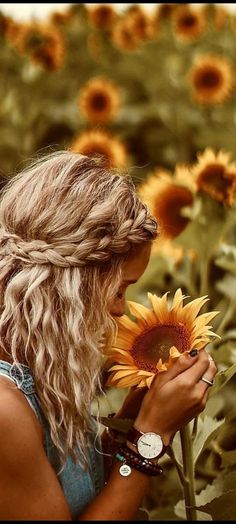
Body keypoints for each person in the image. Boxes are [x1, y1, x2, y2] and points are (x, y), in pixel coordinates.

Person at [0, 151, 217, 521]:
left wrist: (125, 429)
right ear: (71, 287)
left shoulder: (36, 363)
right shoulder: (5, 411)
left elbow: (58, 481)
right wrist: (150, 438)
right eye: (120, 289)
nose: (121, 309)